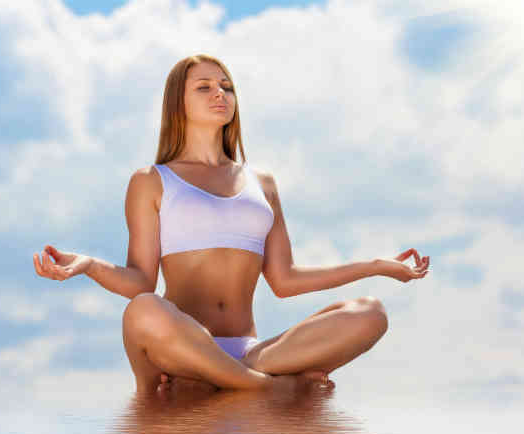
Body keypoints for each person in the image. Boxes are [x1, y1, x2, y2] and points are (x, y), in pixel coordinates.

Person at [33, 53, 429, 396]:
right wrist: (87, 264)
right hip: (183, 348)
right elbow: (141, 281)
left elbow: (284, 279)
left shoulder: (263, 183)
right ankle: (268, 387)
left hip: (252, 351)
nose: (220, 93)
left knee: (370, 313)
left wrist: (376, 266)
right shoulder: (151, 181)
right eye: (203, 87)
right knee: (142, 309)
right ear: (178, 103)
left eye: (226, 86)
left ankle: (235, 378)